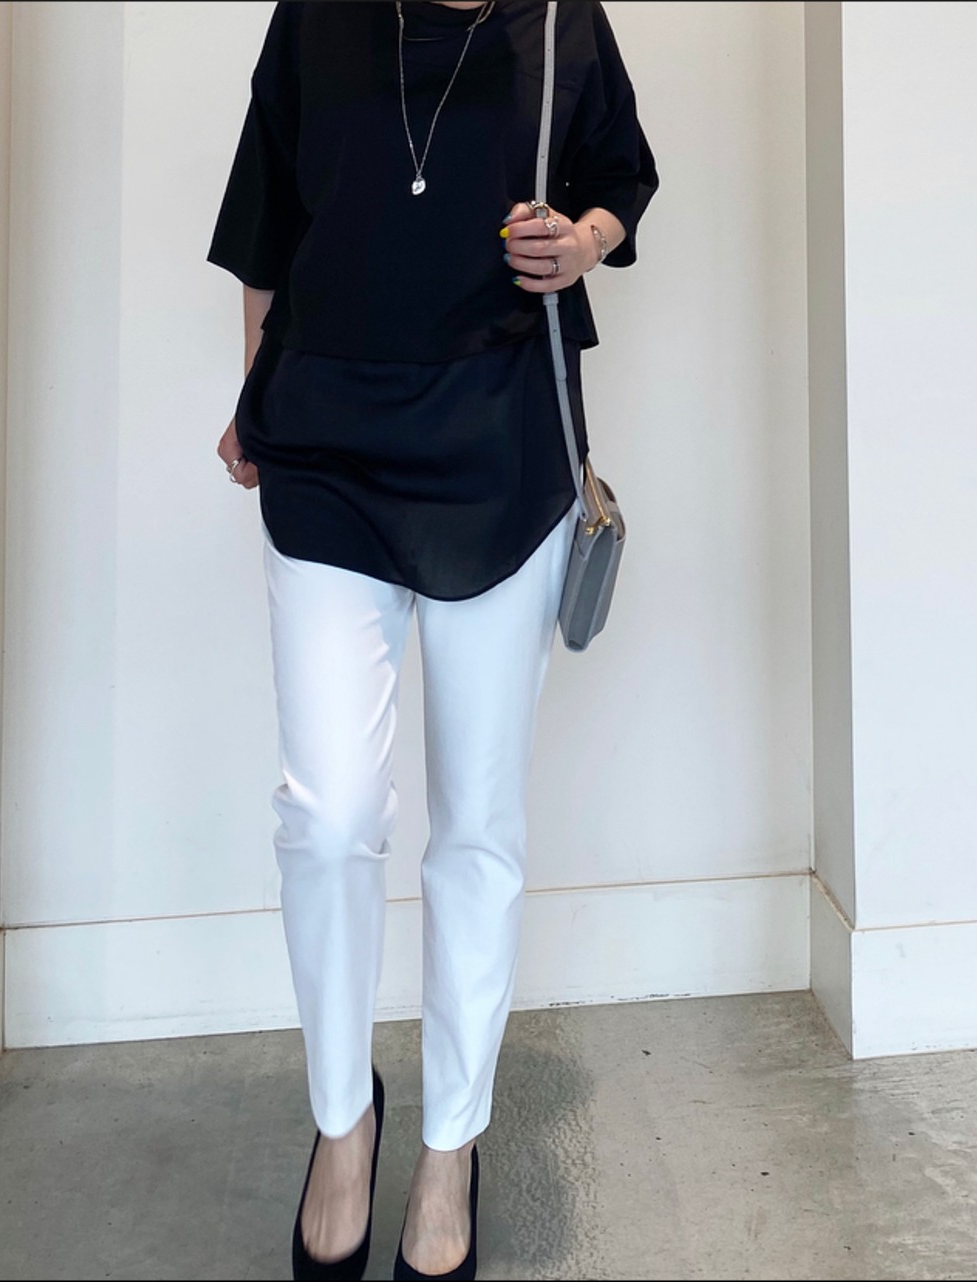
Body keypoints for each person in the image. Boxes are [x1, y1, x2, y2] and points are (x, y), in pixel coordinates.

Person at [206, 2, 657, 1278]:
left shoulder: (558, 21)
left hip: (498, 447)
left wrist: (581, 243)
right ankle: (342, 1122)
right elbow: (266, 220)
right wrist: (251, 392)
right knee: (330, 815)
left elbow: (622, 177)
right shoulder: (317, 17)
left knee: (475, 827)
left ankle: (451, 1142)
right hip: (325, 443)